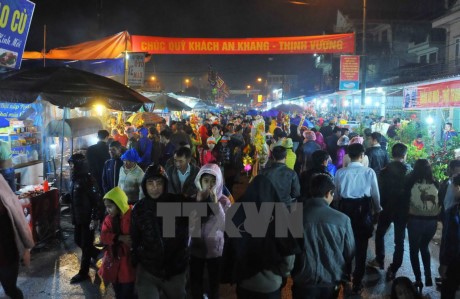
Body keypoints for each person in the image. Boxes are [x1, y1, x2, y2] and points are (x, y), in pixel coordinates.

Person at [225, 175, 299, 299]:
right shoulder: (279, 215)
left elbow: (230, 247)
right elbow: (288, 255)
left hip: (244, 281)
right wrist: (281, 273)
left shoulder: (238, 213)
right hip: (271, 284)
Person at [130, 164, 190, 299]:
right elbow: (135, 236)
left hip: (175, 270)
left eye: (159, 183)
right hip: (148, 270)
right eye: (150, 183)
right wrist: (136, 256)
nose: (155, 188)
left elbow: (204, 214)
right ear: (144, 185)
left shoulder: (178, 202)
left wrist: (205, 199)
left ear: (165, 184)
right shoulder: (139, 209)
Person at [292, 174, 355, 299]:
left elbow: (288, 251)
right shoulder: (343, 220)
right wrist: (347, 278)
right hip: (331, 281)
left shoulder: (294, 216)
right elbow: (350, 253)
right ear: (328, 193)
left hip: (303, 280)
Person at [333, 143, 381, 294]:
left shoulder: (341, 172)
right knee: (361, 247)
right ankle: (357, 281)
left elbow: (336, 195)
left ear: (348, 155)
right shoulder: (369, 172)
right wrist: (377, 209)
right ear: (362, 156)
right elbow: (375, 194)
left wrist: (336, 209)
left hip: (345, 210)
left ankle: (346, 274)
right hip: (363, 210)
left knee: (345, 244)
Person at [368, 143, 412, 281]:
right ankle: (394, 268)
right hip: (402, 210)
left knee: (380, 234)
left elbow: (380, 191)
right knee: (399, 241)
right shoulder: (409, 171)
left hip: (387, 208)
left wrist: (378, 207)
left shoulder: (385, 171)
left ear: (392, 154)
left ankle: (379, 259)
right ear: (404, 155)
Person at [190, 163, 230, 299]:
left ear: (219, 182)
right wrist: (197, 204)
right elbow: (189, 226)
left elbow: (225, 226)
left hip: (215, 250)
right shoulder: (193, 199)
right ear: (199, 181)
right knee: (195, 282)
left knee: (213, 284)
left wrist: (216, 206)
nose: (209, 185)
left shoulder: (224, 201)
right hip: (195, 248)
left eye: (214, 181)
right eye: (206, 181)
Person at [405, 159, 440, 293]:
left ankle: (418, 279)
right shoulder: (435, 183)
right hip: (431, 222)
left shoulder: (410, 182)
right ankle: (428, 276)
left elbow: (405, 201)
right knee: (424, 247)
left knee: (414, 250)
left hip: (415, 220)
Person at [68, 153, 103, 284]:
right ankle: (96, 253)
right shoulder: (74, 179)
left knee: (86, 245)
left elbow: (97, 200)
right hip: (78, 217)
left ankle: (84, 272)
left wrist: (95, 217)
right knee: (78, 241)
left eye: (72, 164)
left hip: (87, 218)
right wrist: (66, 197)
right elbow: (74, 195)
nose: (71, 167)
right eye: (70, 164)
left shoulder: (88, 180)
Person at [0, 174, 34, 299]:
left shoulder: (3, 192)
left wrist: (26, 247)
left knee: (11, 289)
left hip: (7, 254)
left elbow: (17, 215)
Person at [98, 187, 136, 299]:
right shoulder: (109, 219)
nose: (107, 210)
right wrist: (119, 237)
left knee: (128, 291)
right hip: (113, 259)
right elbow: (103, 237)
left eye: (110, 206)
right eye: (106, 207)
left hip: (128, 263)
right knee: (118, 291)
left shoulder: (133, 216)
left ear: (119, 203)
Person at [441, 174, 460, 299]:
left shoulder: (453, 213)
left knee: (449, 289)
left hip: (454, 263)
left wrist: (444, 264)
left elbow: (451, 241)